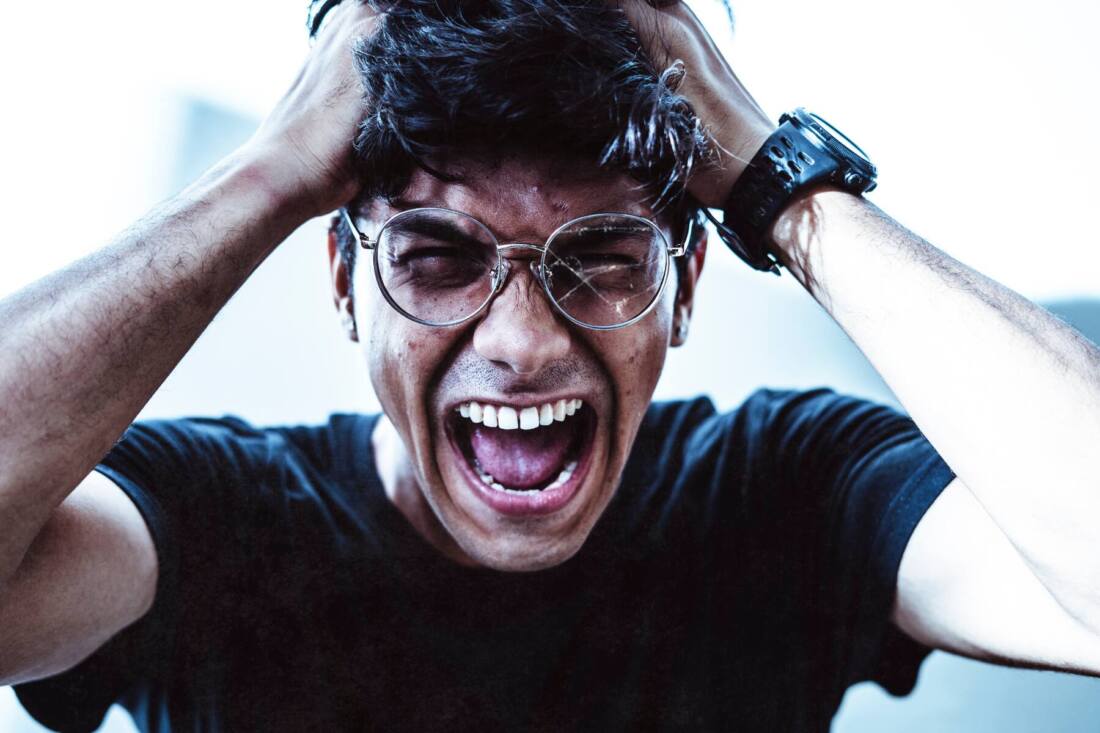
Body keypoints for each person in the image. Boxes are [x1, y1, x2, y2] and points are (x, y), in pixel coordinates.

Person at [0, 0, 1097, 730]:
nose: (521, 345)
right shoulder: (203, 519)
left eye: (604, 258)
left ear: (685, 285)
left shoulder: (790, 490)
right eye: (438, 258)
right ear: (344, 282)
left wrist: (770, 177)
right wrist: (270, 175)